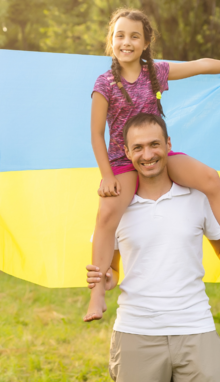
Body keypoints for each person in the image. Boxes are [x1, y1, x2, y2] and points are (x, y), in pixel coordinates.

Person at [86, 8, 220, 321]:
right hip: (122, 161)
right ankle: (95, 296)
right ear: (111, 41)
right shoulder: (105, 83)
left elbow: (199, 65)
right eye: (120, 35)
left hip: (156, 154)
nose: (126, 42)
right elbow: (95, 133)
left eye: (134, 36)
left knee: (212, 180)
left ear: (146, 43)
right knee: (106, 217)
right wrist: (107, 175)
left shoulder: (155, 72)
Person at [86, 113, 220, 381]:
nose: (147, 154)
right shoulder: (116, 207)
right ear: (126, 152)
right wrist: (107, 278)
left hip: (195, 328)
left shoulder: (198, 196)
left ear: (168, 145)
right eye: (138, 147)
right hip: (136, 330)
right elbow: (112, 268)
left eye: (154, 144)